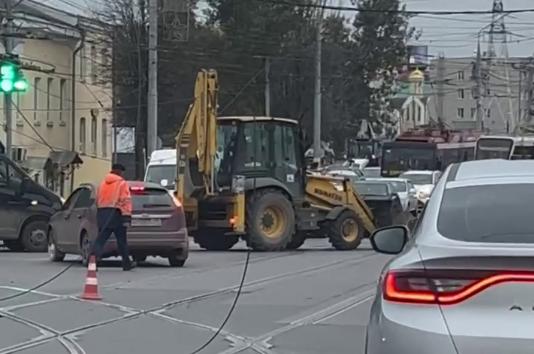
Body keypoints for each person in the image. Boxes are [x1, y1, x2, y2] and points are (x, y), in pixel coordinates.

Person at [91, 163, 135, 271]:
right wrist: (127, 216)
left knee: (101, 239)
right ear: (119, 171)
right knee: (121, 240)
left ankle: (93, 261)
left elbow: (96, 199)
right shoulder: (121, 183)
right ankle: (126, 263)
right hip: (116, 213)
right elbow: (125, 200)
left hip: (102, 213)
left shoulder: (102, 183)